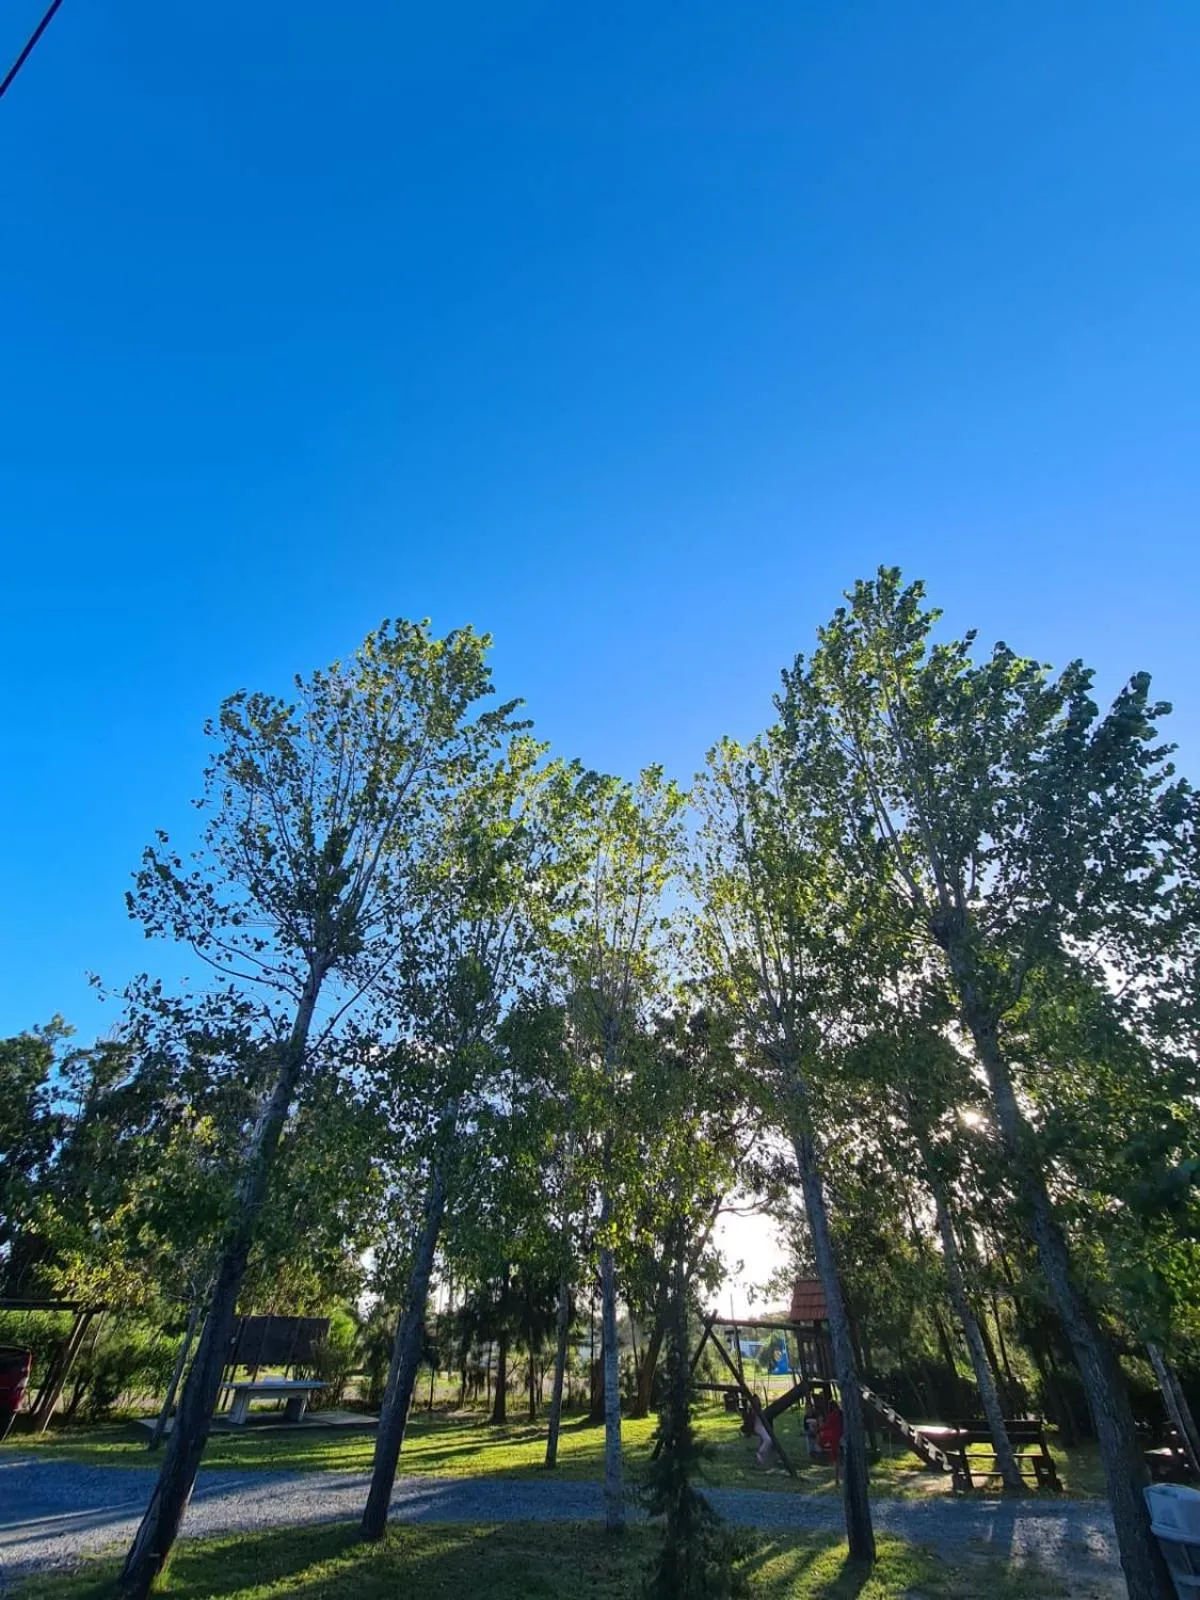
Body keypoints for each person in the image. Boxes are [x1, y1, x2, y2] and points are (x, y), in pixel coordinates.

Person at [819, 1398, 845, 1485]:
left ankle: (837, 1478)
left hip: (833, 1437)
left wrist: (819, 1428)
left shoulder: (832, 1415)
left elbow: (827, 1426)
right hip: (840, 1436)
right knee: (839, 1457)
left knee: (835, 1458)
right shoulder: (841, 1414)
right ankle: (838, 1477)